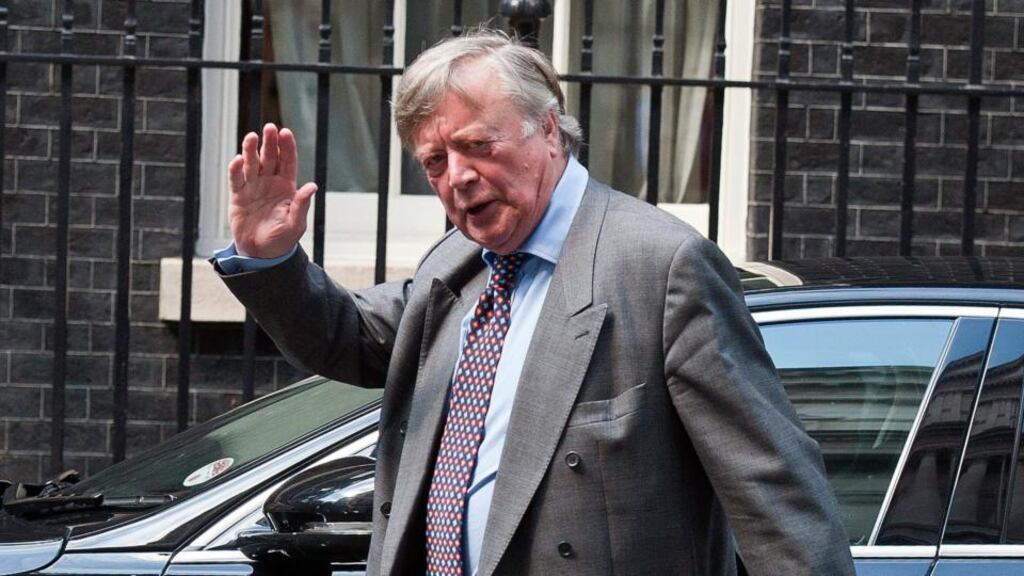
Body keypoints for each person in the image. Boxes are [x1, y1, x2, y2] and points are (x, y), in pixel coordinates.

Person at [214, 30, 855, 576]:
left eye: (477, 145)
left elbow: (774, 493)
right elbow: (349, 336)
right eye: (435, 161)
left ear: (548, 128)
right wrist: (273, 259)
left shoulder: (660, 266)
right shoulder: (456, 265)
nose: (457, 177)